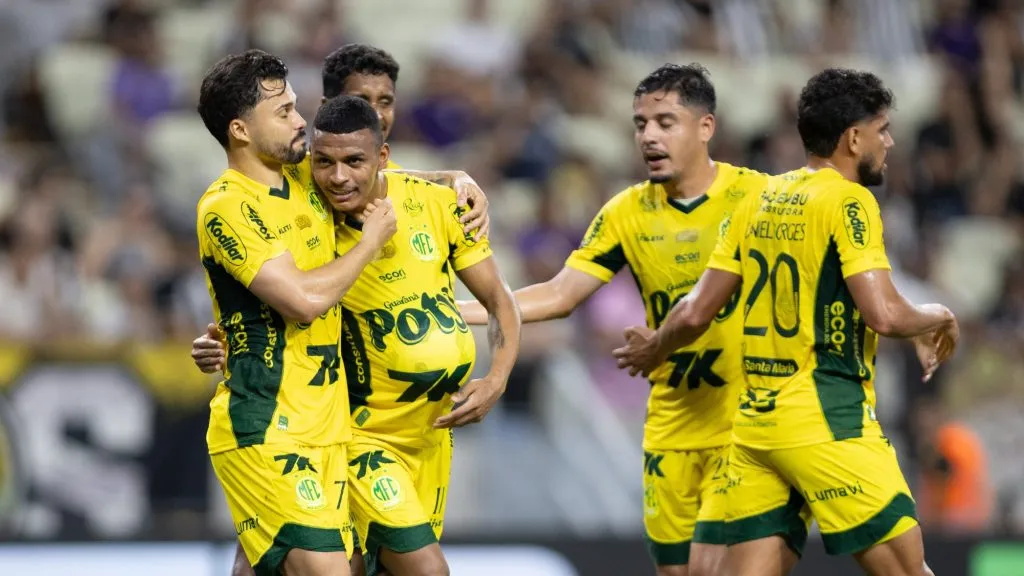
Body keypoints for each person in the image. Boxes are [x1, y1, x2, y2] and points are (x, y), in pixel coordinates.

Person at [614, 68, 960, 576]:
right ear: (853, 137)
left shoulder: (756, 197)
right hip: (827, 420)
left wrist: (656, 347)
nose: (888, 142)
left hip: (756, 432)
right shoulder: (849, 200)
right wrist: (939, 316)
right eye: (882, 128)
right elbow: (883, 314)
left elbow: (694, 310)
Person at [459, 63, 766, 576]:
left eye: (665, 122)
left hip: (748, 424)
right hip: (672, 424)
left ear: (705, 128)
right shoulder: (626, 212)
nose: (649, 136)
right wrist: (466, 309)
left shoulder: (757, 198)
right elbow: (560, 295)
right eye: (640, 124)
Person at [196, 95, 521, 576]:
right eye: (324, 162)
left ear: (382, 156)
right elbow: (284, 295)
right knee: (426, 571)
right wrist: (230, 340)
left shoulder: (435, 205)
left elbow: (501, 301)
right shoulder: (307, 205)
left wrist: (496, 379)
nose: (338, 177)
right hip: (359, 434)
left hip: (430, 434)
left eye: (354, 162)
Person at [196, 49, 397, 576]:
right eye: (282, 111)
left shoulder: (305, 181)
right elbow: (303, 302)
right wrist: (368, 243)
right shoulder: (227, 206)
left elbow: (370, 159)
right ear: (240, 129)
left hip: (327, 428)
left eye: (294, 106)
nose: (300, 119)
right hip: (267, 426)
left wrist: (456, 178)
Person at [321, 43, 490, 241]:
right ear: (327, 106)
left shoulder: (422, 194)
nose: (376, 114)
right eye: (361, 101)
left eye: (385, 102)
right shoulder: (297, 173)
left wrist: (453, 177)